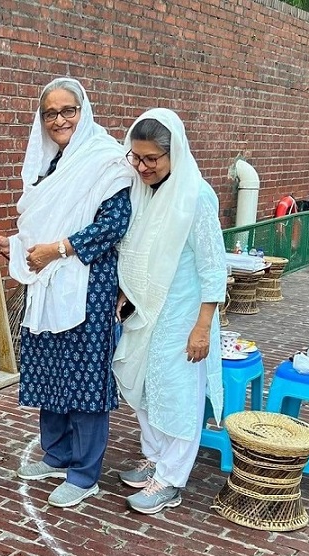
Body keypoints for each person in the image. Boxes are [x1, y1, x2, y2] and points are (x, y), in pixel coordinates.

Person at [0, 77, 132, 508]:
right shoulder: (49, 167)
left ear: (84, 111)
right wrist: (15, 244)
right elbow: (43, 228)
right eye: (51, 113)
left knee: (85, 377)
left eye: (68, 110)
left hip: (90, 287)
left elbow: (113, 224)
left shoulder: (106, 161)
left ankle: (85, 474)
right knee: (50, 369)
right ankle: (58, 454)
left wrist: (58, 250)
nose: (59, 120)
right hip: (48, 285)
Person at [112, 108, 227, 515]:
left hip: (183, 313)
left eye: (151, 159)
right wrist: (127, 291)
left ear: (174, 154)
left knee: (178, 395)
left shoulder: (196, 195)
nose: (142, 167)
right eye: (136, 157)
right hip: (147, 312)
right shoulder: (143, 190)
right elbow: (137, 248)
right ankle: (154, 457)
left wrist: (202, 326)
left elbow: (213, 265)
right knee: (144, 388)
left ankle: (172, 478)